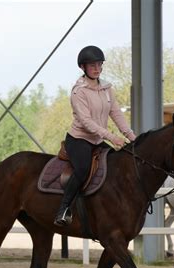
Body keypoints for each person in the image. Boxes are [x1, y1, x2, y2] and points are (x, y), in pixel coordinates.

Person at [54, 45, 137, 226]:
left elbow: (116, 113)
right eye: (92, 65)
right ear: (83, 67)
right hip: (79, 139)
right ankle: (64, 209)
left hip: (98, 139)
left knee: (120, 163)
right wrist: (112, 137)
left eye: (99, 64)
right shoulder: (78, 91)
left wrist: (131, 137)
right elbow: (86, 122)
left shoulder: (107, 88)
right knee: (82, 170)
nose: (97, 68)